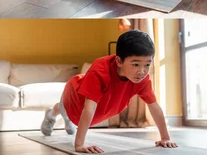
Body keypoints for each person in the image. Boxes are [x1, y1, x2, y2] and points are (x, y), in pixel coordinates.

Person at [40, 29, 178, 153]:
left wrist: (165, 138)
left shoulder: (142, 79)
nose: (142, 71)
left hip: (93, 108)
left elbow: (154, 106)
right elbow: (88, 108)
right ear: (119, 61)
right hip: (74, 98)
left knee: (68, 117)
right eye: (135, 64)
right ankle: (51, 115)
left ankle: (65, 119)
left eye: (147, 65)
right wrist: (79, 144)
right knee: (63, 109)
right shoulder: (101, 71)